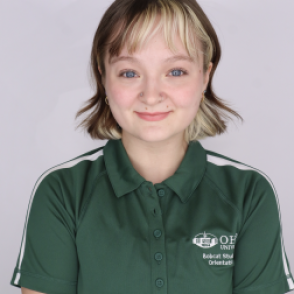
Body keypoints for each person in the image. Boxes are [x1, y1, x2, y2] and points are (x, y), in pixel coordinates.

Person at [10, 0, 294, 293]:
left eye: (176, 71)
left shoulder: (249, 193)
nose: (152, 95)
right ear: (103, 77)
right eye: (130, 73)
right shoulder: (62, 192)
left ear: (205, 76)